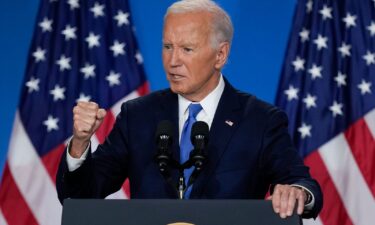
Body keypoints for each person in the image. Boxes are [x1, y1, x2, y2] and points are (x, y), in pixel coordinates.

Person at [56, 0, 323, 219]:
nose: (173, 61)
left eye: (187, 49)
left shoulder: (260, 119)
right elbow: (80, 197)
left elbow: (304, 184)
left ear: (221, 55)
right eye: (168, 47)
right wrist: (79, 144)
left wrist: (297, 192)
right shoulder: (138, 115)